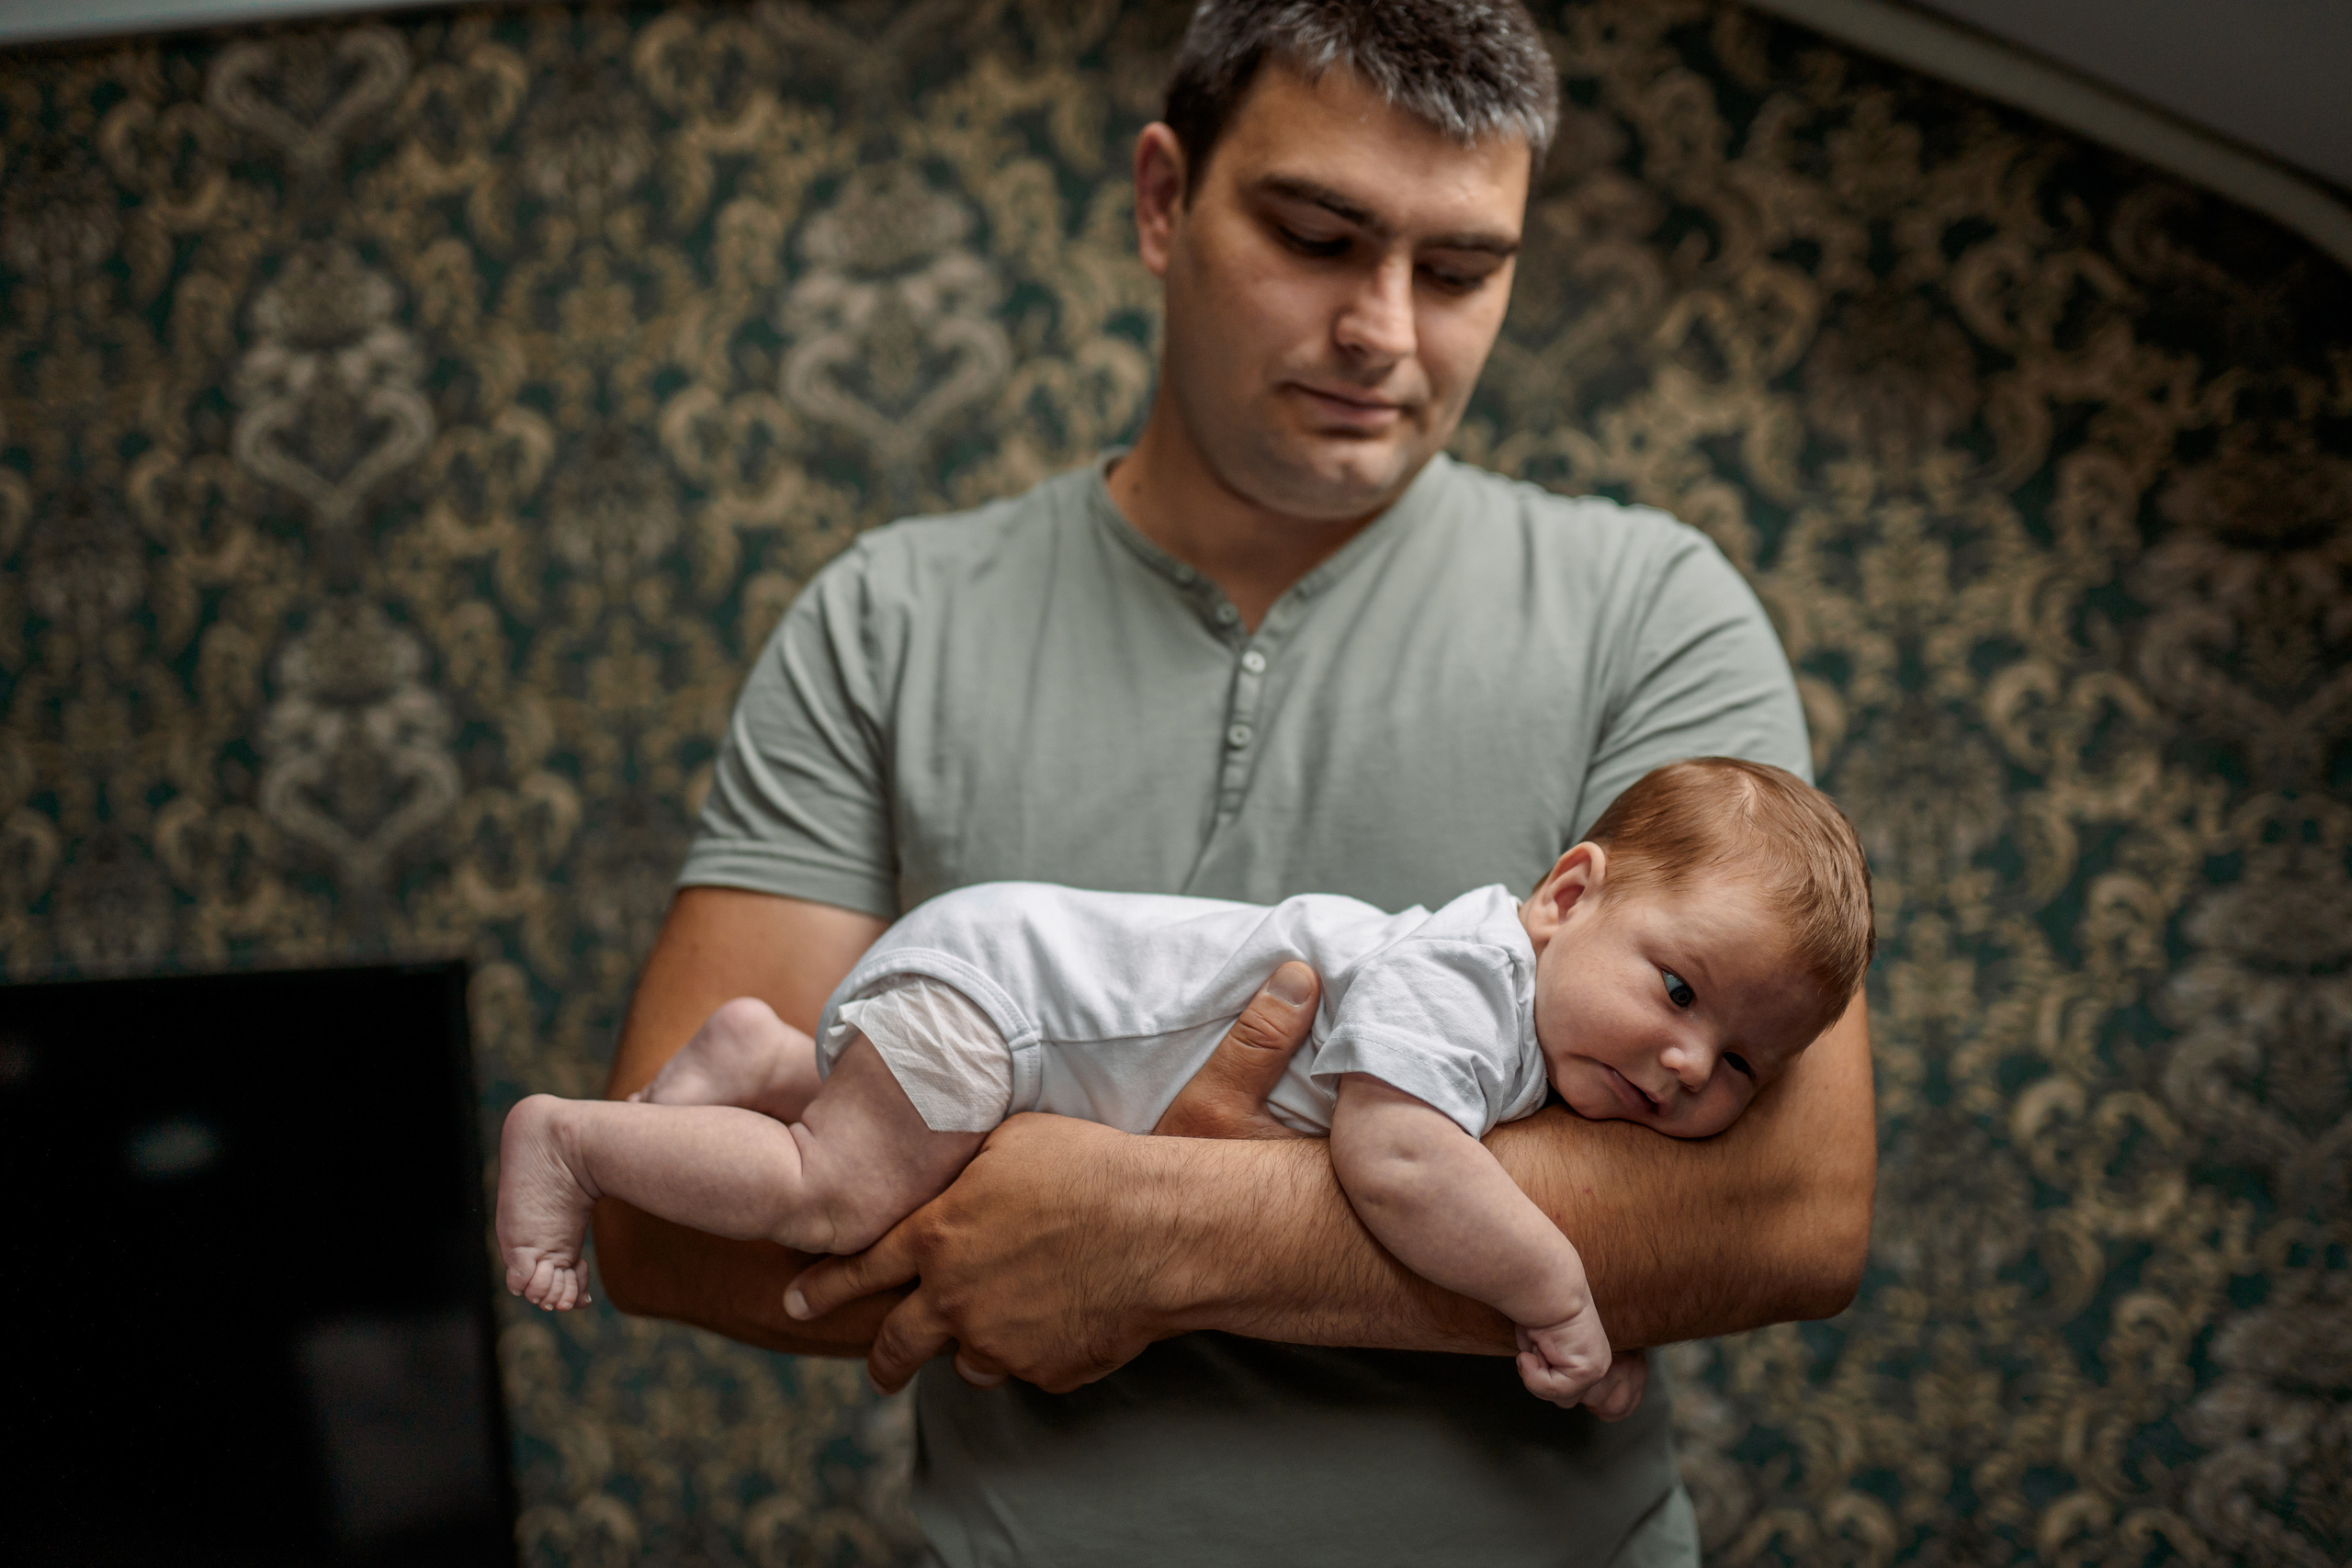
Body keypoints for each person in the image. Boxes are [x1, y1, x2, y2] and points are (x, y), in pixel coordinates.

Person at [591, 3, 1879, 1563]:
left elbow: (1787, 1210)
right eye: (1318, 235)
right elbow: (652, 1223)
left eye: (1462, 269)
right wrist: (1039, 1227)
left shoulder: (1652, 613)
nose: (1386, 329)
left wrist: (1155, 1232)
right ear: (1161, 200)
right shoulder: (887, 622)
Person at [504, 759, 1872, 1422]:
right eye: (1681, 993)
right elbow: (1401, 1166)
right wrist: (1564, 1296)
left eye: (1745, 1062)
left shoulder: (1551, 1033)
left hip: (1005, 1000)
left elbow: (1769, 1230)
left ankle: (766, 1056)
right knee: (830, 1191)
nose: (1692, 1062)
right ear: (1566, 896)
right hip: (1007, 1006)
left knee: (857, 1121)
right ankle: (572, 1134)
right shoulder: (1465, 980)